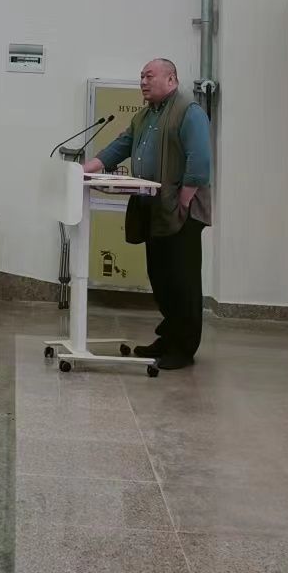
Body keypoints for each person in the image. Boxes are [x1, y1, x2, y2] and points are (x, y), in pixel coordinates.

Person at [82, 58, 212, 372]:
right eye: (141, 76)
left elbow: (200, 160)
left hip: (180, 211)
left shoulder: (189, 111)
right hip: (154, 208)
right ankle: (168, 338)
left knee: (182, 280)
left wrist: (184, 200)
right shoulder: (144, 116)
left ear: (171, 79)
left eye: (149, 76)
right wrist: (85, 169)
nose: (143, 82)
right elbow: (121, 146)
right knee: (161, 277)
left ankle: (184, 349)